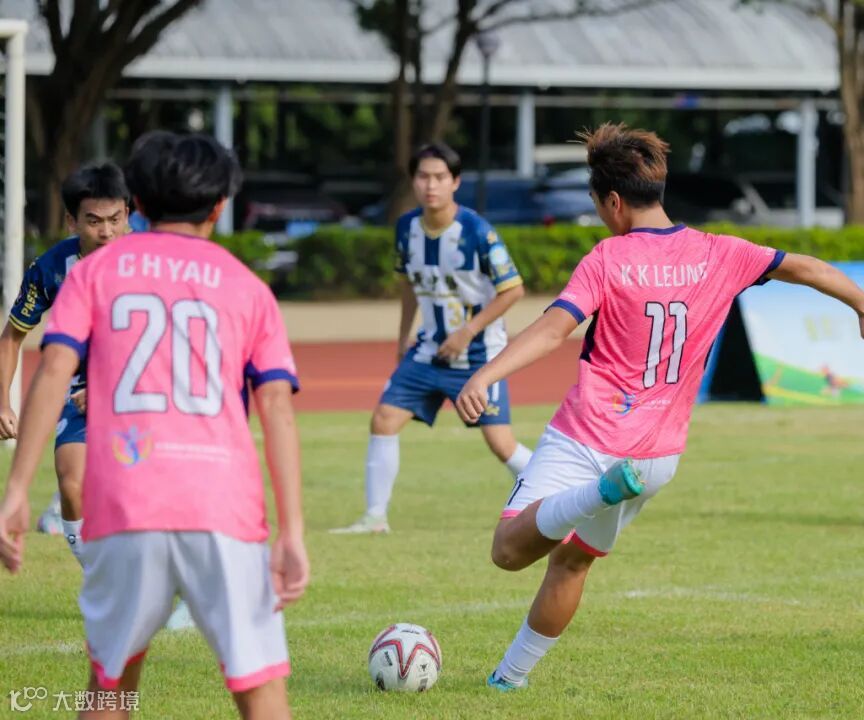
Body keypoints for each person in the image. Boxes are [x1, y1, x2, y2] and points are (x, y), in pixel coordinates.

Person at [453, 123, 864, 690]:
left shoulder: (609, 258)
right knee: (573, 561)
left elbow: (553, 328)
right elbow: (806, 267)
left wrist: (485, 374)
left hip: (589, 434)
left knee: (508, 551)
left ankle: (597, 493)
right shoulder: (721, 252)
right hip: (656, 458)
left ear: (613, 202)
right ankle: (508, 681)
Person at [0, 131, 309, 718]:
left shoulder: (91, 274)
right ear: (219, 206)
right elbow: (276, 408)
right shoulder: (247, 286)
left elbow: (52, 370)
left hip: (125, 502)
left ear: (136, 203)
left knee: (109, 691)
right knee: (262, 695)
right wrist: (291, 530)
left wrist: (16, 490)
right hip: (222, 507)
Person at [332, 142, 533, 535]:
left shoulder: (477, 231)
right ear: (413, 181)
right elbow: (410, 285)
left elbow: (513, 290)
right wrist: (402, 338)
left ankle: (558, 494)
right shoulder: (406, 228)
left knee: (501, 444)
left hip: (478, 355)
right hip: (427, 351)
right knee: (384, 419)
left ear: (455, 182)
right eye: (423, 176)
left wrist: (467, 332)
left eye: (440, 177)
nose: (431, 185)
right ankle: (375, 518)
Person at [0, 164, 128, 554]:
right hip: (80, 393)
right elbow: (12, 337)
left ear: (127, 213)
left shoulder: (149, 261)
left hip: (149, 390)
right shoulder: (51, 268)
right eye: (94, 221)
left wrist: (110, 388)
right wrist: (2, 401)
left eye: (115, 219)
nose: (106, 232)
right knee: (72, 484)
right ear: (72, 221)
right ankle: (98, 576)